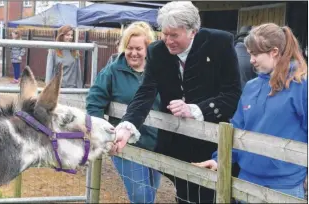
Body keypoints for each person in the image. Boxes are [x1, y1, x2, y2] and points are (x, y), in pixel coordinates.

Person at [111, 2, 241, 203]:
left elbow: (232, 94)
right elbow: (145, 93)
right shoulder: (157, 51)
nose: (168, 41)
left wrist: (196, 109)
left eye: (174, 35)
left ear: (192, 32)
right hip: (175, 145)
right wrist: (127, 127)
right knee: (185, 196)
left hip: (213, 146)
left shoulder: (219, 44)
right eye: (165, 34)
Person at [193, 23, 308, 200]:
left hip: (284, 186)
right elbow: (237, 129)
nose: (251, 60)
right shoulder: (251, 87)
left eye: (255, 54)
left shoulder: (301, 85)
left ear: (274, 52)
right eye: (250, 54)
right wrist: (219, 159)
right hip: (246, 181)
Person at [86, 21, 161, 203]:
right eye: (129, 48)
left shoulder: (158, 70)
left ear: (147, 49)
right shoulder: (113, 71)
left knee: (150, 192)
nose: (133, 53)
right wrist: (105, 132)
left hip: (156, 144)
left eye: (138, 48)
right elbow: (94, 101)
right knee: (141, 196)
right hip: (126, 144)